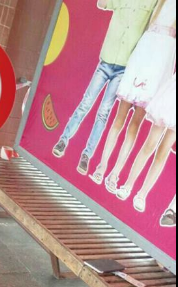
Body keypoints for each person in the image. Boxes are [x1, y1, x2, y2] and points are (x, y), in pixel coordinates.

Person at [53, 0, 158, 176]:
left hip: (124, 68)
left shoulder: (152, 2)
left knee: (103, 113)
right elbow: (101, 4)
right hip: (105, 61)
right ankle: (63, 140)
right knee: (85, 103)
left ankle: (87, 155)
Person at [91, 0, 176, 191]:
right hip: (143, 55)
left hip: (160, 66)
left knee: (134, 124)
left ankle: (115, 173)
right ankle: (102, 166)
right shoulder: (158, 3)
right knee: (120, 118)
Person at [115, 73, 176, 212]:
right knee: (150, 144)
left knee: (163, 152)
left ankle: (142, 195)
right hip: (172, 96)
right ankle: (128, 185)